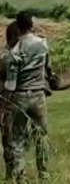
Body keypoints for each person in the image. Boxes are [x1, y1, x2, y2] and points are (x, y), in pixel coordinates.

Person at [5, 12, 57, 182]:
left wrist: (5, 103)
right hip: (38, 96)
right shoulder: (43, 44)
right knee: (41, 136)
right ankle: (44, 175)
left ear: (18, 27)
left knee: (17, 141)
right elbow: (49, 69)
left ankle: (20, 178)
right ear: (31, 25)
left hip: (20, 98)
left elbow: (11, 84)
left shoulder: (15, 50)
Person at [0, 23, 19, 180]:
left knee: (11, 141)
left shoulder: (8, 57)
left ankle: (12, 174)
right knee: (12, 141)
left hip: (12, 103)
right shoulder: (7, 57)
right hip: (12, 103)